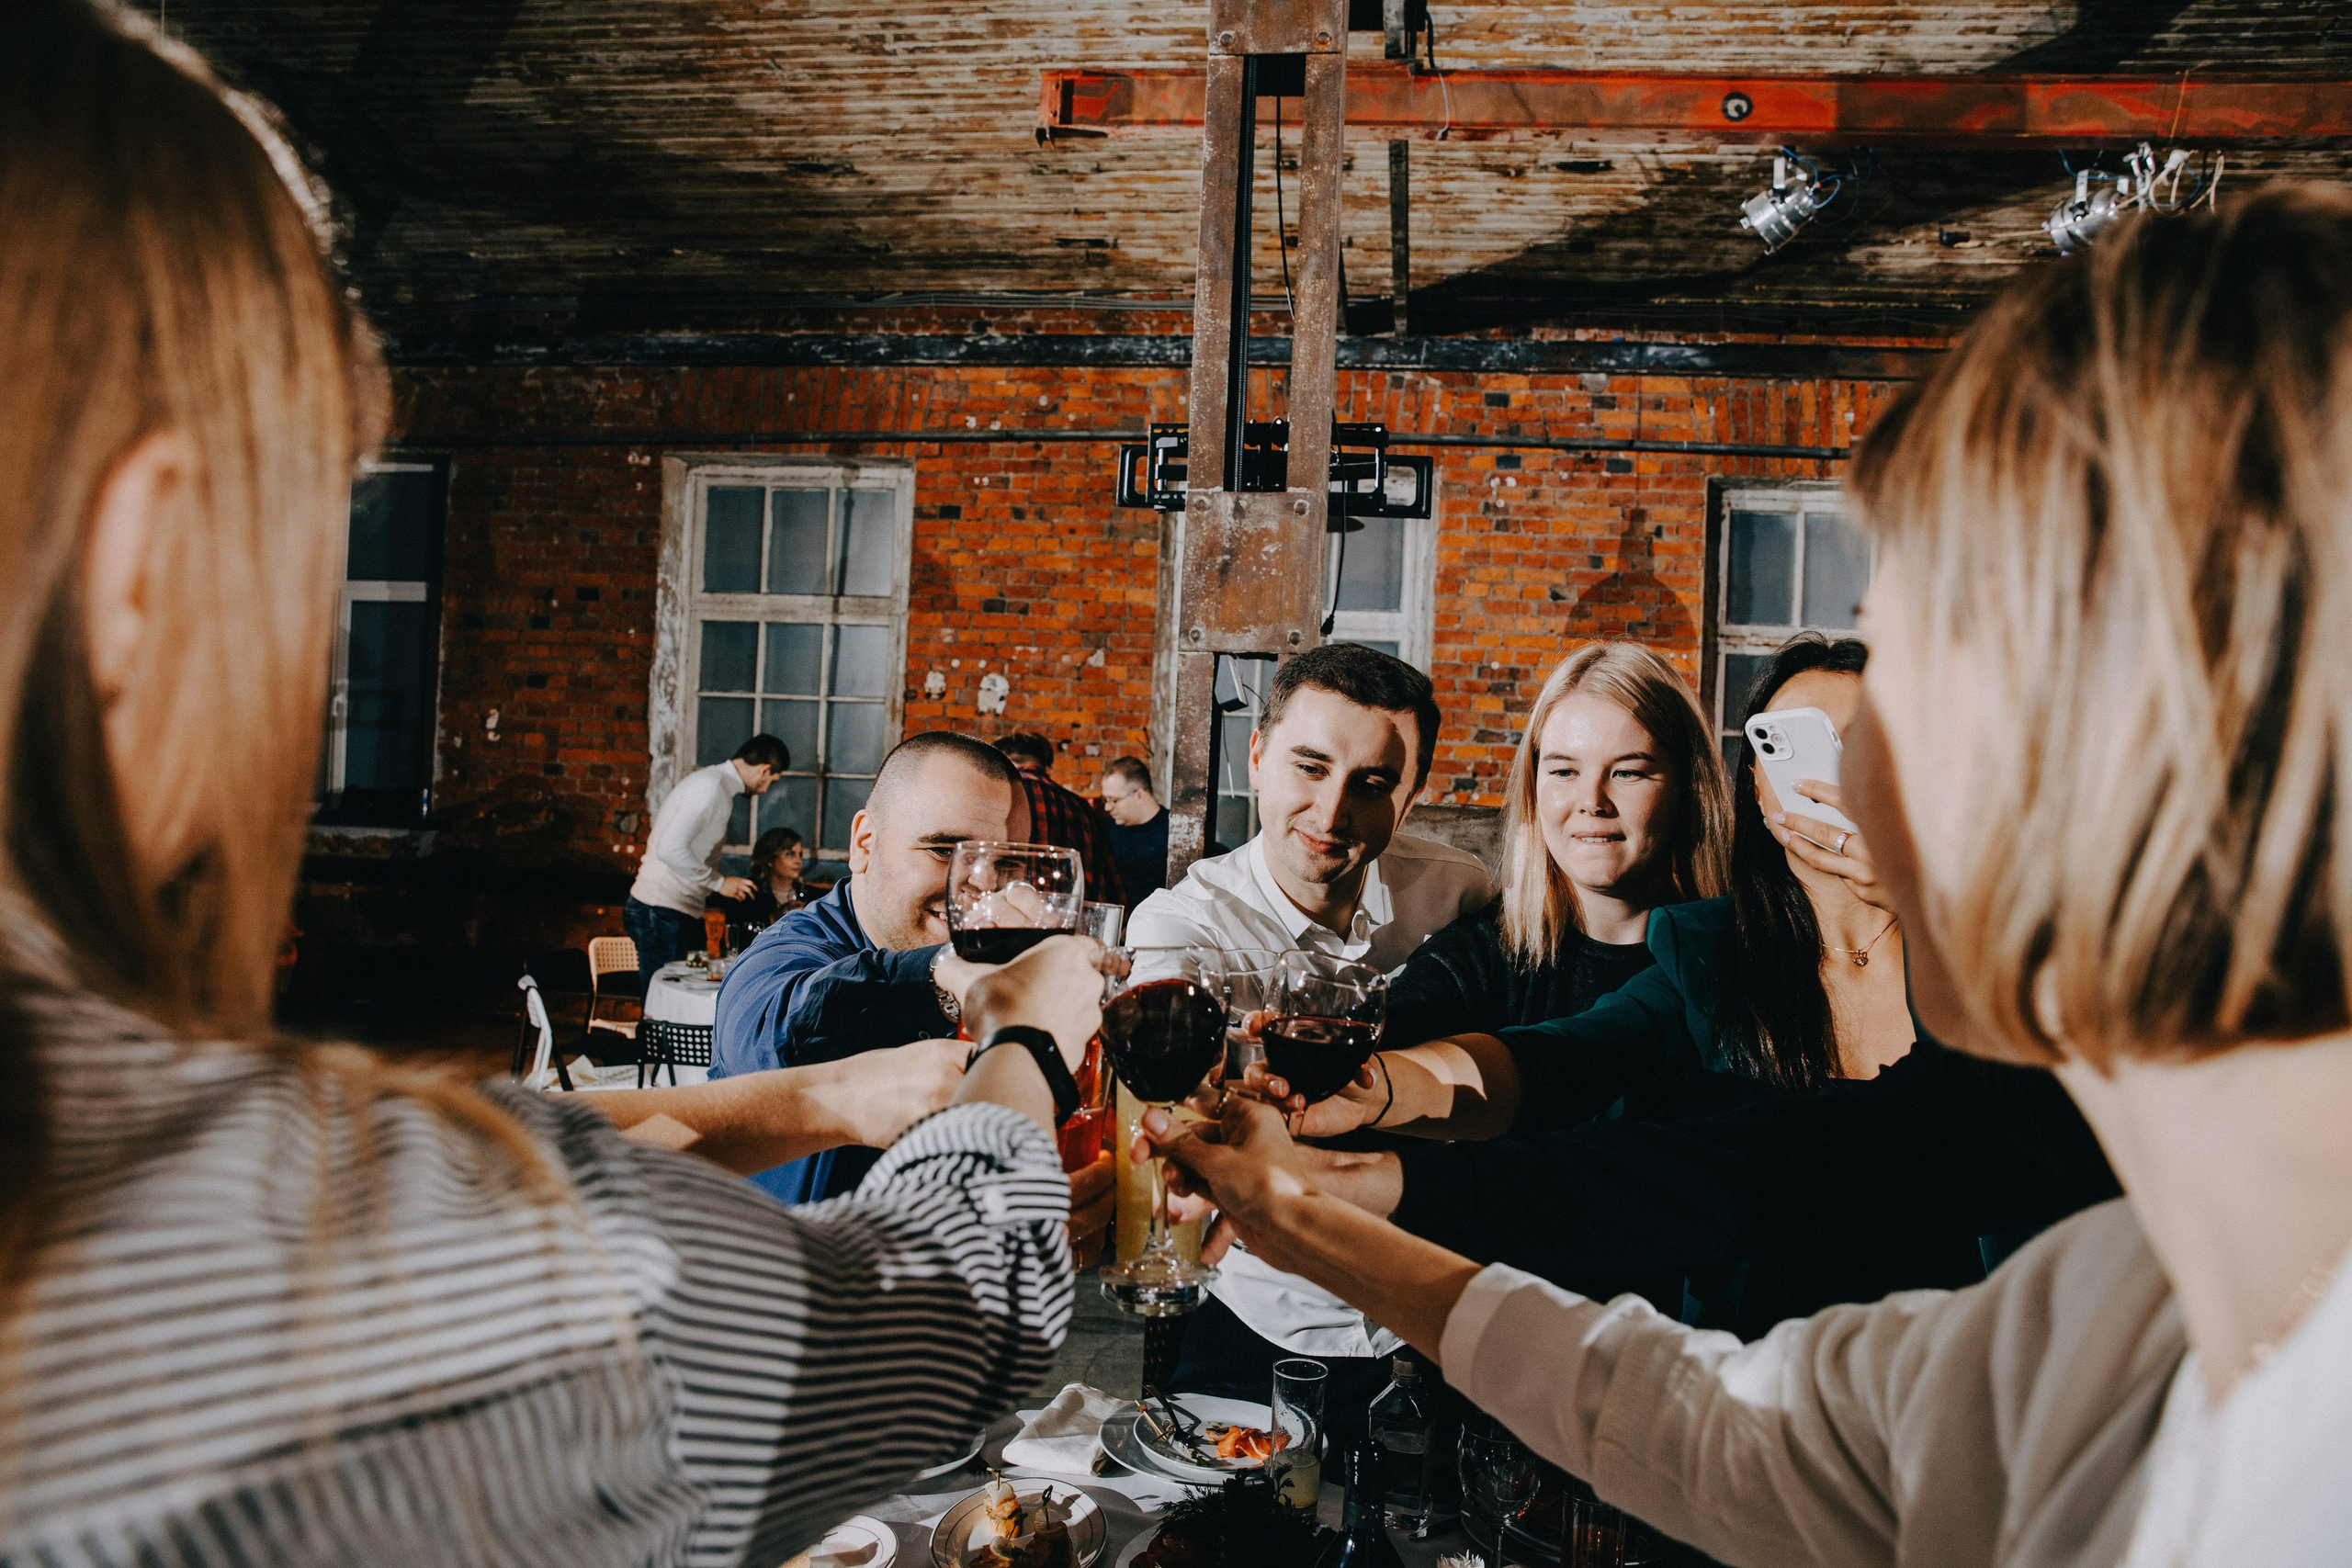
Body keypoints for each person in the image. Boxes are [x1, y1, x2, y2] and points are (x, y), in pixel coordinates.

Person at [0, 8, 1095, 1562]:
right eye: (306, 556)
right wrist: (1032, 1041)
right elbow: (934, 1330)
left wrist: (814, 1098)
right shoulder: (266, 1226)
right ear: (144, 558)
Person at [1152, 186, 2352, 1565]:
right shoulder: (2099, 1301)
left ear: (2134, 720)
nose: (1846, 787)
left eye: (1902, 680)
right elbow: (1720, 1411)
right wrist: (1333, 1201)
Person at [1125, 642, 1492, 1412]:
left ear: (1412, 796)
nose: (1331, 813)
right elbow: (1164, 1095)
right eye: (1310, 766)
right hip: (1260, 1318)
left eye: (1372, 784)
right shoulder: (1182, 925)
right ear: (1258, 757)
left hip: (1429, 1314)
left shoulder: (1458, 894)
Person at [710, 733, 1093, 1217]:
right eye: (944, 850)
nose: (981, 882)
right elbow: (773, 1035)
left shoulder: (1009, 973)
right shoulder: (791, 949)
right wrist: (945, 978)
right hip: (789, 1258)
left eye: (1007, 862)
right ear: (864, 844)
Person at [1383, 640, 1733, 1053]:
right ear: (1533, 789)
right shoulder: (1475, 959)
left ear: (1689, 789)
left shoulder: (1747, 956)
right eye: (1565, 771)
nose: (1592, 801)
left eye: (1627, 772)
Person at [624, 734, 789, 997]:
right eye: (772, 780)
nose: (765, 790)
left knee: (675, 1001)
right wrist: (719, 883)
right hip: (661, 909)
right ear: (764, 770)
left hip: (670, 910)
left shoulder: (715, 785)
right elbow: (669, 849)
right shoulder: (710, 788)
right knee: (666, 1004)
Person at [996, 730, 1126, 907]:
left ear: (1000, 763)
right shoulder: (1082, 807)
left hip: (1002, 915)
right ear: (1047, 766)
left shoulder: (993, 799)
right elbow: (1111, 887)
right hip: (1069, 918)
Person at [1098, 754, 1170, 908]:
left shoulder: (1174, 832)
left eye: (1114, 800)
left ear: (1139, 794)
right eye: (1105, 800)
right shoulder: (1104, 829)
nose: (1107, 807)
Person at [744, 824, 808, 922]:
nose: (798, 861)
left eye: (800, 855)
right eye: (790, 854)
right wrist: (775, 917)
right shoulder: (750, 894)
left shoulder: (808, 894)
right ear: (770, 860)